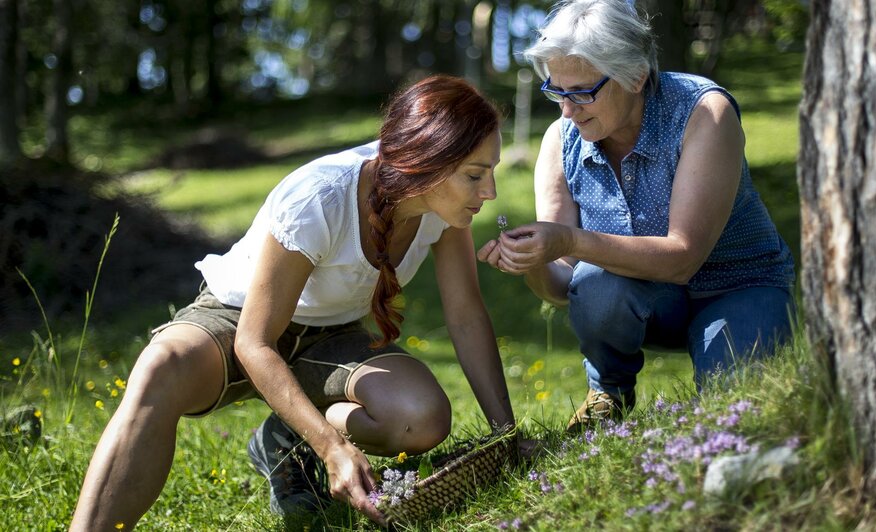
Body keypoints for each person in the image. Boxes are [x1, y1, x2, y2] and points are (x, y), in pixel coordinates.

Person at [71, 75, 527, 530]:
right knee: (160, 367)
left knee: (420, 417)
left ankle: (286, 437)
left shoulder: (443, 210)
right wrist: (332, 447)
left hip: (334, 335)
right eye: (475, 174)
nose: (489, 192)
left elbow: (466, 316)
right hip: (241, 316)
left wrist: (507, 436)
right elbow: (254, 341)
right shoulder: (319, 196)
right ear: (425, 163)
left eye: (491, 172)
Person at [477, 0, 795, 432]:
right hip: (647, 299)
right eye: (556, 91)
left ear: (635, 75)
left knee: (737, 411)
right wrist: (532, 262)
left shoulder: (704, 113)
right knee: (594, 284)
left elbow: (684, 257)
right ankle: (608, 392)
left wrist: (569, 241)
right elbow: (563, 286)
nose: (567, 111)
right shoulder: (562, 139)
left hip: (740, 285)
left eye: (583, 92)